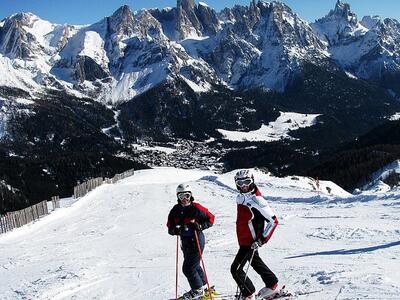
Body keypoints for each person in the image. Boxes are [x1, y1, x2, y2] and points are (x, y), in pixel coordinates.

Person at [231, 170, 279, 300]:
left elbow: (273, 221)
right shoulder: (241, 197)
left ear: (252, 181)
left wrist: (261, 239)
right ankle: (272, 284)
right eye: (240, 182)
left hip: (250, 242)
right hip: (244, 240)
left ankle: (248, 293)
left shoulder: (257, 200)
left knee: (235, 270)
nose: (244, 185)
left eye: (247, 182)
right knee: (255, 262)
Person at [167, 183, 215, 300]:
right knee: (194, 265)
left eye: (187, 195)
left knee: (188, 268)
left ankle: (197, 290)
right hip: (185, 242)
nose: (184, 199)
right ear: (177, 197)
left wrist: (200, 226)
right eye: (181, 196)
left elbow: (211, 218)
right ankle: (203, 286)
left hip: (197, 240)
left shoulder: (197, 208)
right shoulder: (175, 210)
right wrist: (175, 230)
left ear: (191, 195)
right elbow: (170, 226)